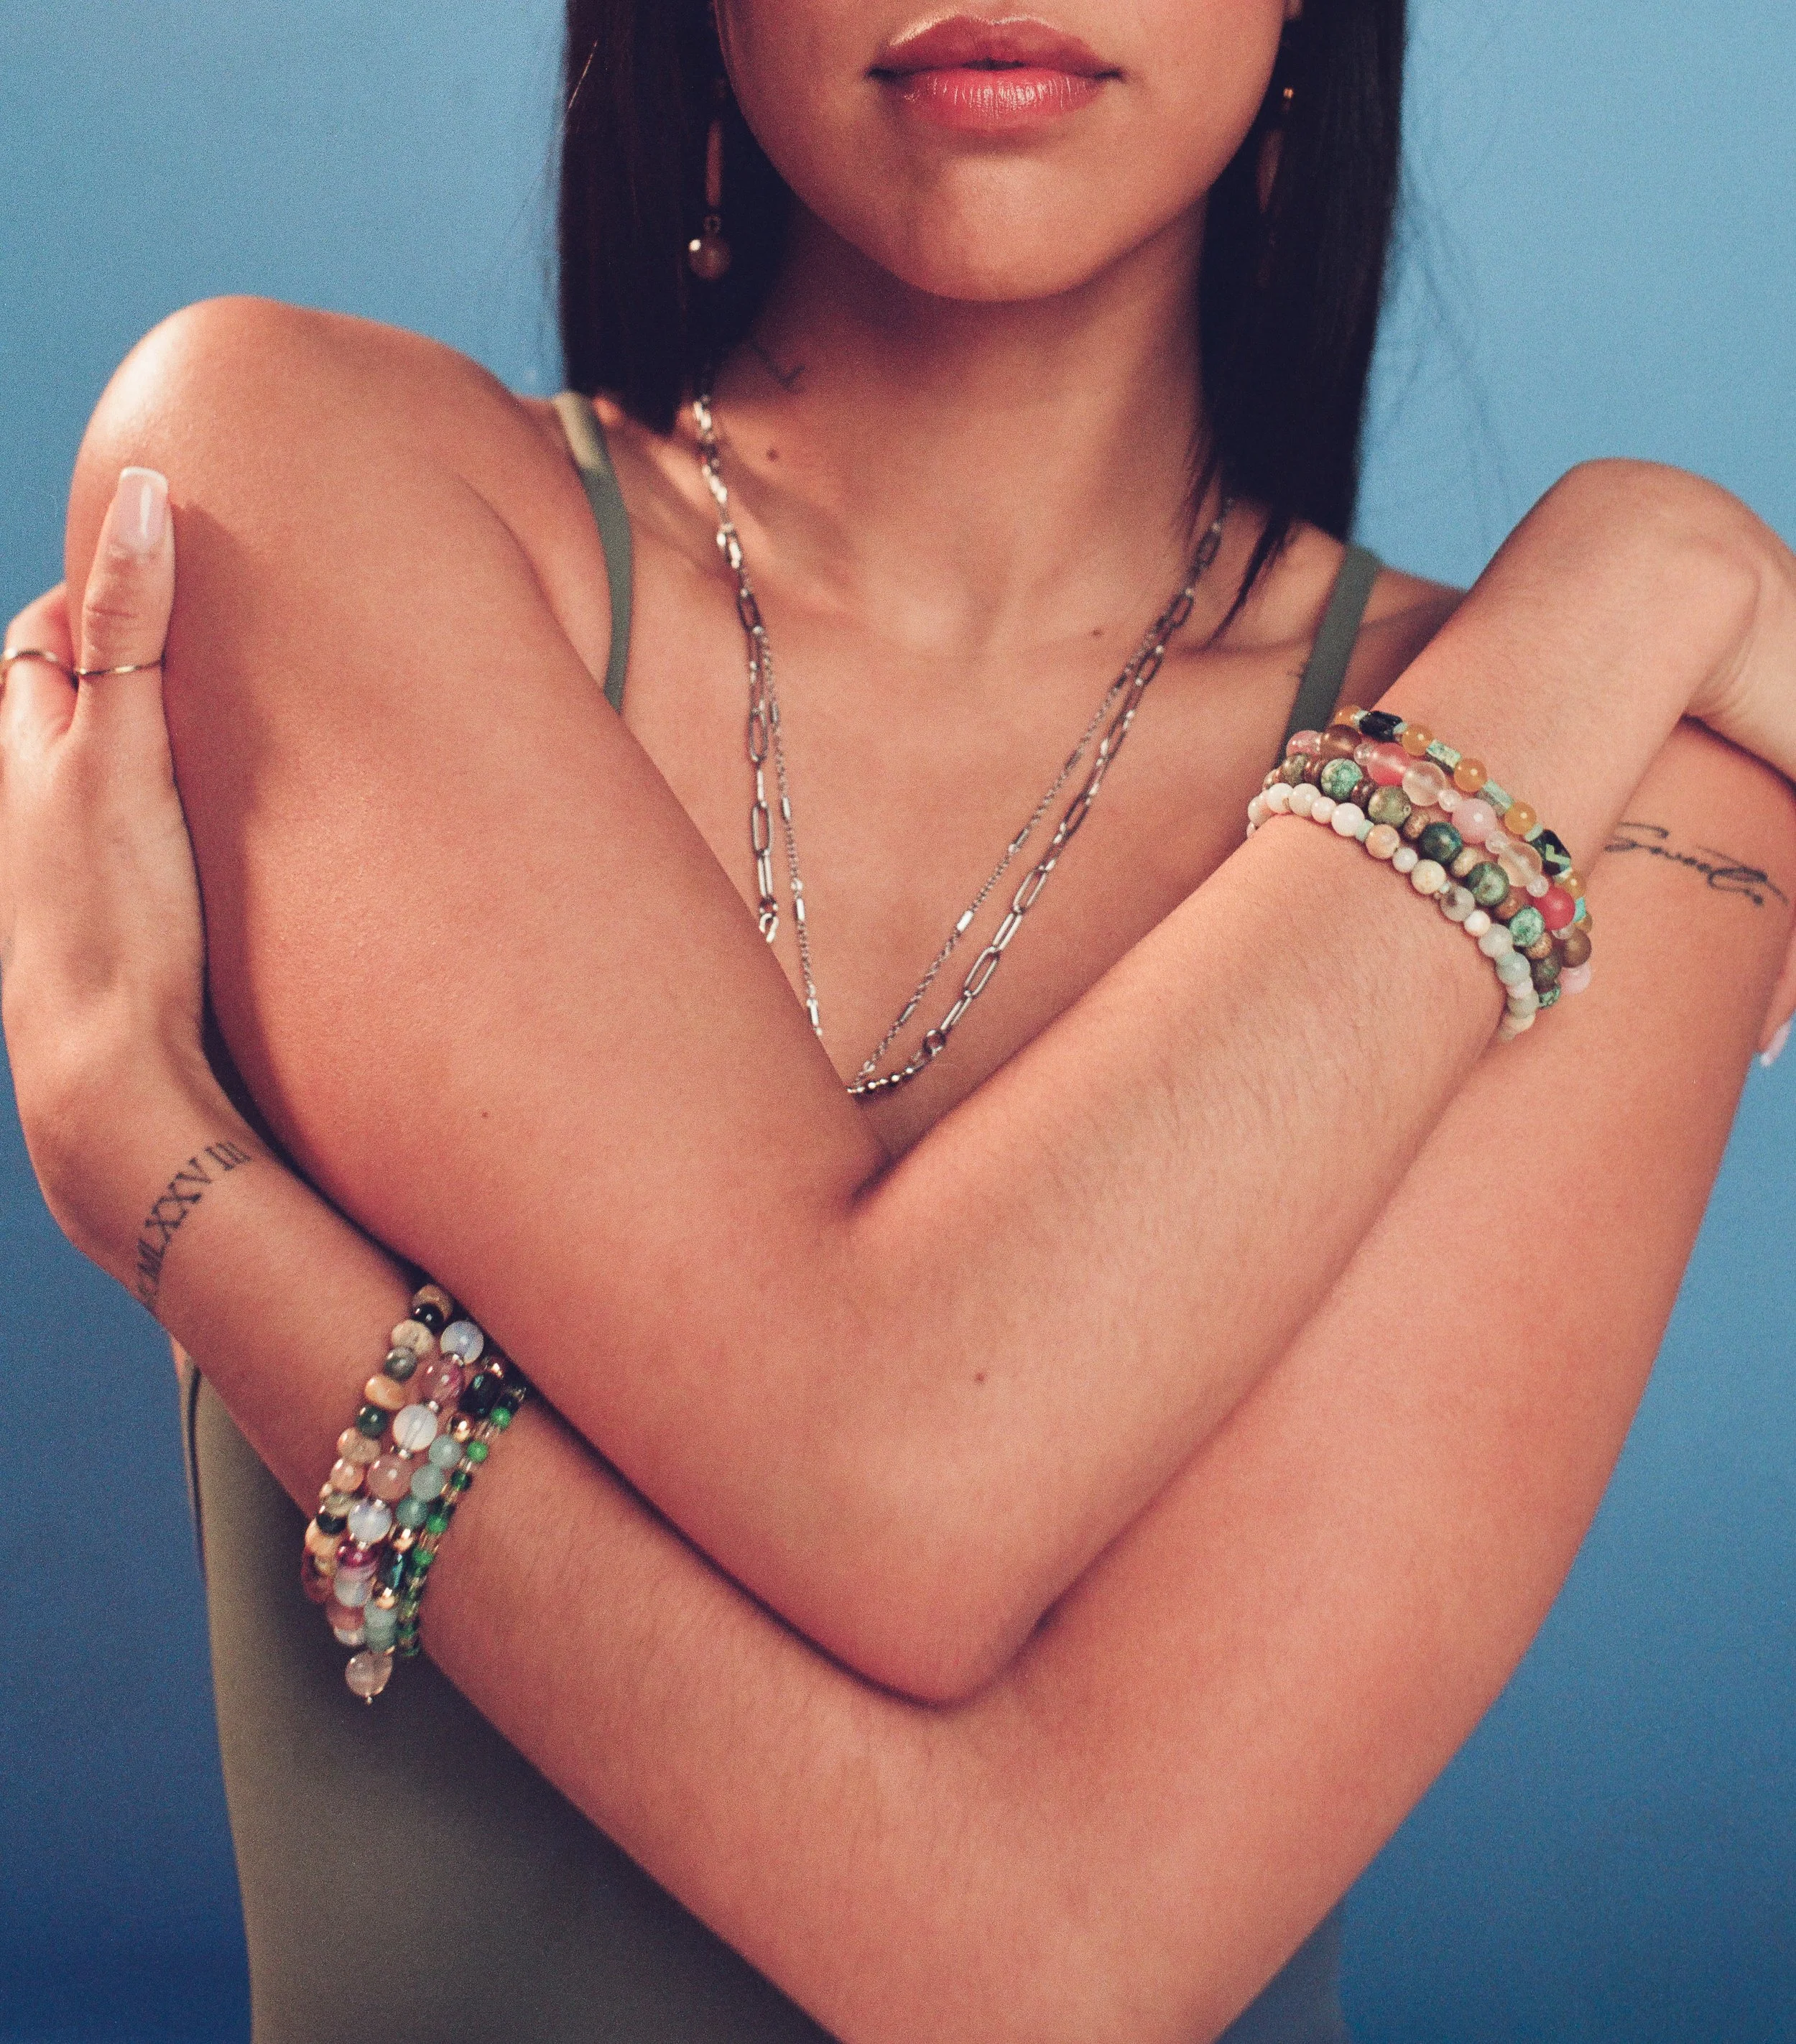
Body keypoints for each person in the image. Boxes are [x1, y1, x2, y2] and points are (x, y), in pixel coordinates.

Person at [4, 1, 1795, 2038]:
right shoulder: (286, 472)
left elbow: (1046, 1969)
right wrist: (1636, 581)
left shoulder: (1617, 762)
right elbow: (891, 1473)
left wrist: (162, 1175)